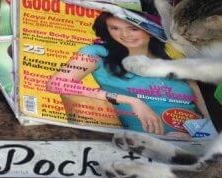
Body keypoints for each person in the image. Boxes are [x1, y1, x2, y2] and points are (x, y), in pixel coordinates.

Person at [46, 12, 208, 138]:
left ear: (151, 30)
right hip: (141, 142)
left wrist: (196, 136)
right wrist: (128, 100)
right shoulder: (97, 53)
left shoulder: (175, 58)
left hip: (196, 141)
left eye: (133, 28)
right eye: (114, 28)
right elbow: (57, 84)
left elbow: (207, 113)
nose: (124, 35)